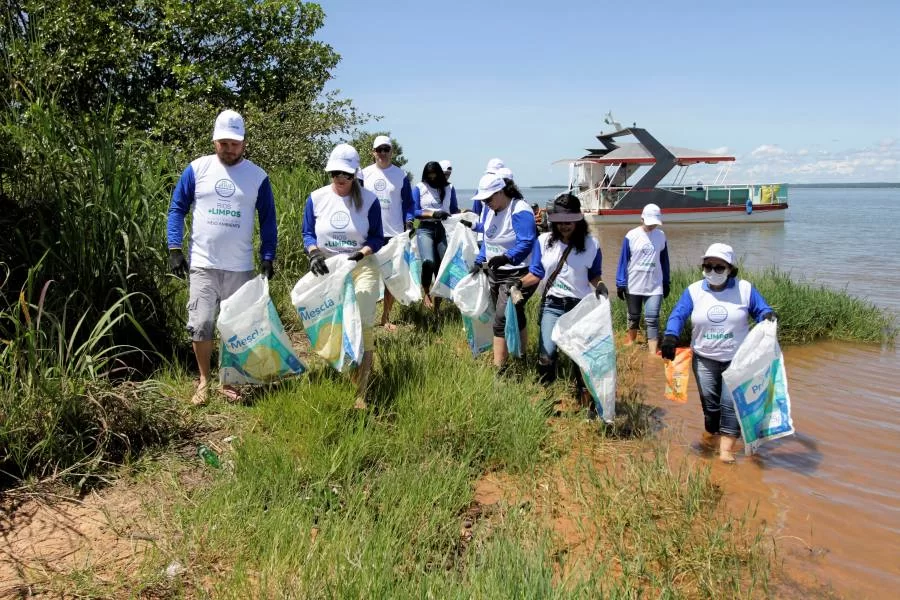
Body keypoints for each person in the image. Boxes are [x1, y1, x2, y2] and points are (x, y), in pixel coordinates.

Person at [167, 110, 277, 406]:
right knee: (201, 323)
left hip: (240, 267)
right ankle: (203, 379)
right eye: (223, 143)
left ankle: (230, 379)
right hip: (203, 263)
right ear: (215, 140)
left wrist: (268, 255)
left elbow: (268, 219)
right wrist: (174, 249)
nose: (229, 149)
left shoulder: (257, 176)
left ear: (244, 143)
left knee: (235, 326)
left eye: (235, 143)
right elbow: (177, 208)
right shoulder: (197, 169)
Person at [661, 243, 776, 463]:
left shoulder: (744, 289)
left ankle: (726, 451)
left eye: (719, 268)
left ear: (731, 269)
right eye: (708, 267)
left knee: (730, 404)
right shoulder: (694, 291)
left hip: (738, 360)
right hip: (704, 358)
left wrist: (768, 315)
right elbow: (678, 314)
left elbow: (762, 310)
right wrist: (670, 336)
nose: (712, 272)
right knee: (710, 406)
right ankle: (711, 433)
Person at [301, 143, 384, 408]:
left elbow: (377, 237)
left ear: (355, 174)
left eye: (346, 175)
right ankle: (347, 372)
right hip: (328, 268)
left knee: (361, 316)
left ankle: (362, 391)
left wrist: (361, 254)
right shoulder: (316, 198)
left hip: (361, 265)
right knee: (334, 323)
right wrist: (314, 253)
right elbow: (308, 233)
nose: (340, 179)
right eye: (335, 173)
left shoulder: (369, 200)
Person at [518, 193, 606, 410]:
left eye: (569, 222)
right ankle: (546, 401)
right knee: (546, 354)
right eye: (559, 222)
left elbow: (594, 275)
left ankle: (587, 405)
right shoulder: (543, 242)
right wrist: (518, 284)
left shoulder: (592, 244)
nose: (564, 226)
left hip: (580, 307)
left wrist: (601, 285)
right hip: (552, 305)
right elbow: (536, 273)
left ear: (578, 221)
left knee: (581, 358)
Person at [468, 173, 537, 371]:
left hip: (519, 276)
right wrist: (480, 260)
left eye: (488, 198)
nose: (485, 203)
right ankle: (522, 355)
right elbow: (488, 238)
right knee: (516, 313)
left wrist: (506, 257)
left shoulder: (520, 209)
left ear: (501, 192)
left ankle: (499, 370)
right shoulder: (490, 210)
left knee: (501, 319)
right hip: (494, 273)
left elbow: (527, 241)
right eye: (483, 200)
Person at [362, 135, 413, 331]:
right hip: (369, 233)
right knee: (368, 276)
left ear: (392, 152)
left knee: (390, 278)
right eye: (379, 150)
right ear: (373, 152)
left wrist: (409, 222)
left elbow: (408, 203)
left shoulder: (400, 175)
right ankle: (366, 317)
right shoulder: (363, 174)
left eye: (386, 149)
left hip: (394, 234)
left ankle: (385, 317)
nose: (383, 153)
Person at [615, 203, 670, 353]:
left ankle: (653, 351)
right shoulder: (631, 235)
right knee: (633, 315)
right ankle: (631, 341)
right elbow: (623, 261)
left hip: (655, 285)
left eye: (655, 223)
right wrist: (620, 283)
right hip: (633, 284)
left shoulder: (661, 236)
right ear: (642, 219)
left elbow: (664, 261)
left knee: (652, 318)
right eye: (649, 222)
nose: (652, 226)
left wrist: (666, 282)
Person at [413, 161, 459, 309]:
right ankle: (426, 292)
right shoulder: (420, 188)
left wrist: (466, 215)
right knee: (428, 261)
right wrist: (433, 213)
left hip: (443, 229)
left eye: (434, 175)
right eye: (429, 175)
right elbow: (415, 211)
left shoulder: (449, 188)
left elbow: (453, 209)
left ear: (440, 174)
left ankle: (437, 306)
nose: (432, 178)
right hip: (425, 229)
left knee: (442, 266)